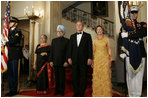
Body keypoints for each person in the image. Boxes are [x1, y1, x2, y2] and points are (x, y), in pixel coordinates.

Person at [119, 3, 147, 97]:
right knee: (130, 76)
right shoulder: (125, 26)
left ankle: (137, 95)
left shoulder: (142, 24)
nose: (134, 15)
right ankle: (131, 95)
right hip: (129, 53)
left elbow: (143, 33)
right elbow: (120, 39)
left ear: (137, 14)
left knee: (139, 77)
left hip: (141, 53)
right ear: (129, 14)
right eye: (132, 13)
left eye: (135, 13)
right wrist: (121, 51)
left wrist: (129, 35)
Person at [68, 21, 93, 97]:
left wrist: (90, 58)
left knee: (83, 77)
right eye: (77, 25)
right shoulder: (72, 36)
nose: (78, 26)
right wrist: (69, 57)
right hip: (74, 59)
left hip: (84, 59)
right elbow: (70, 48)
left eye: (80, 25)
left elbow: (89, 48)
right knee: (75, 76)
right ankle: (76, 92)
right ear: (76, 26)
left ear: (83, 26)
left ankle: (82, 92)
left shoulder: (88, 36)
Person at [92, 25, 112, 97]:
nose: (99, 31)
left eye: (100, 29)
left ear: (102, 30)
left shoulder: (107, 39)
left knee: (105, 77)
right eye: (98, 30)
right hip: (97, 61)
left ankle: (106, 94)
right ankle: (98, 94)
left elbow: (109, 49)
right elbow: (93, 51)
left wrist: (110, 60)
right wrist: (93, 61)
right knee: (97, 78)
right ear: (96, 31)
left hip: (105, 61)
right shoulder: (94, 40)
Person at [5, 16, 22, 96]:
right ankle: (11, 89)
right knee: (10, 73)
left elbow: (12, 41)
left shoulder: (18, 32)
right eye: (10, 22)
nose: (10, 23)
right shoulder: (7, 32)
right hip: (9, 55)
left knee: (15, 73)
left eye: (12, 22)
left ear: (16, 24)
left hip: (15, 55)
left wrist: (6, 41)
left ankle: (15, 89)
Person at [50, 25, 69, 96]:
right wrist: (51, 61)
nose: (59, 32)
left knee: (62, 78)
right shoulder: (53, 40)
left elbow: (68, 52)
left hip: (63, 62)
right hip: (55, 62)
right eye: (58, 31)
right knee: (56, 78)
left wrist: (66, 61)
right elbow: (51, 51)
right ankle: (57, 90)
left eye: (60, 31)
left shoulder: (67, 41)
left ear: (63, 32)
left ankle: (62, 91)